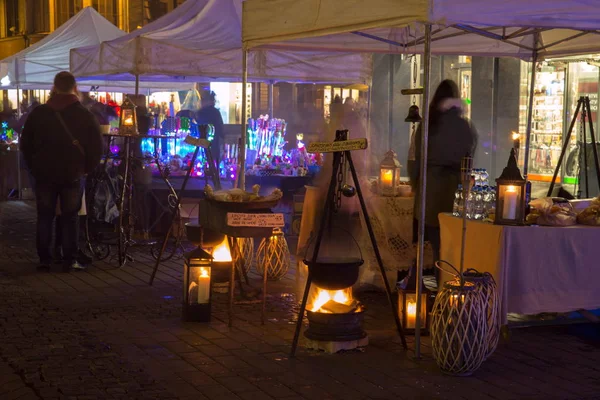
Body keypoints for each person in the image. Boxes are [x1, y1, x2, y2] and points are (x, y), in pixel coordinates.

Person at [21, 71, 103, 272]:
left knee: (45, 215)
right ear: (74, 88)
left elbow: (26, 144)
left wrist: (34, 168)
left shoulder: (39, 113)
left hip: (44, 173)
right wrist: (86, 169)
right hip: (73, 172)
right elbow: (96, 147)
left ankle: (44, 259)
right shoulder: (84, 115)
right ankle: (69, 259)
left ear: (54, 87)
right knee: (70, 217)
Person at [408, 80, 477, 283]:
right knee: (455, 245)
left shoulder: (428, 125)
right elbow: (470, 160)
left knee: (438, 246)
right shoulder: (465, 126)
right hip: (455, 190)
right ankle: (453, 289)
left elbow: (415, 160)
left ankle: (440, 289)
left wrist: (416, 186)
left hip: (431, 189)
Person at [195, 90, 224, 166]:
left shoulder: (202, 112)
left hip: (204, 140)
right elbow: (221, 128)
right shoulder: (215, 112)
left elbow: (198, 123)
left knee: (205, 158)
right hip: (214, 141)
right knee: (213, 159)